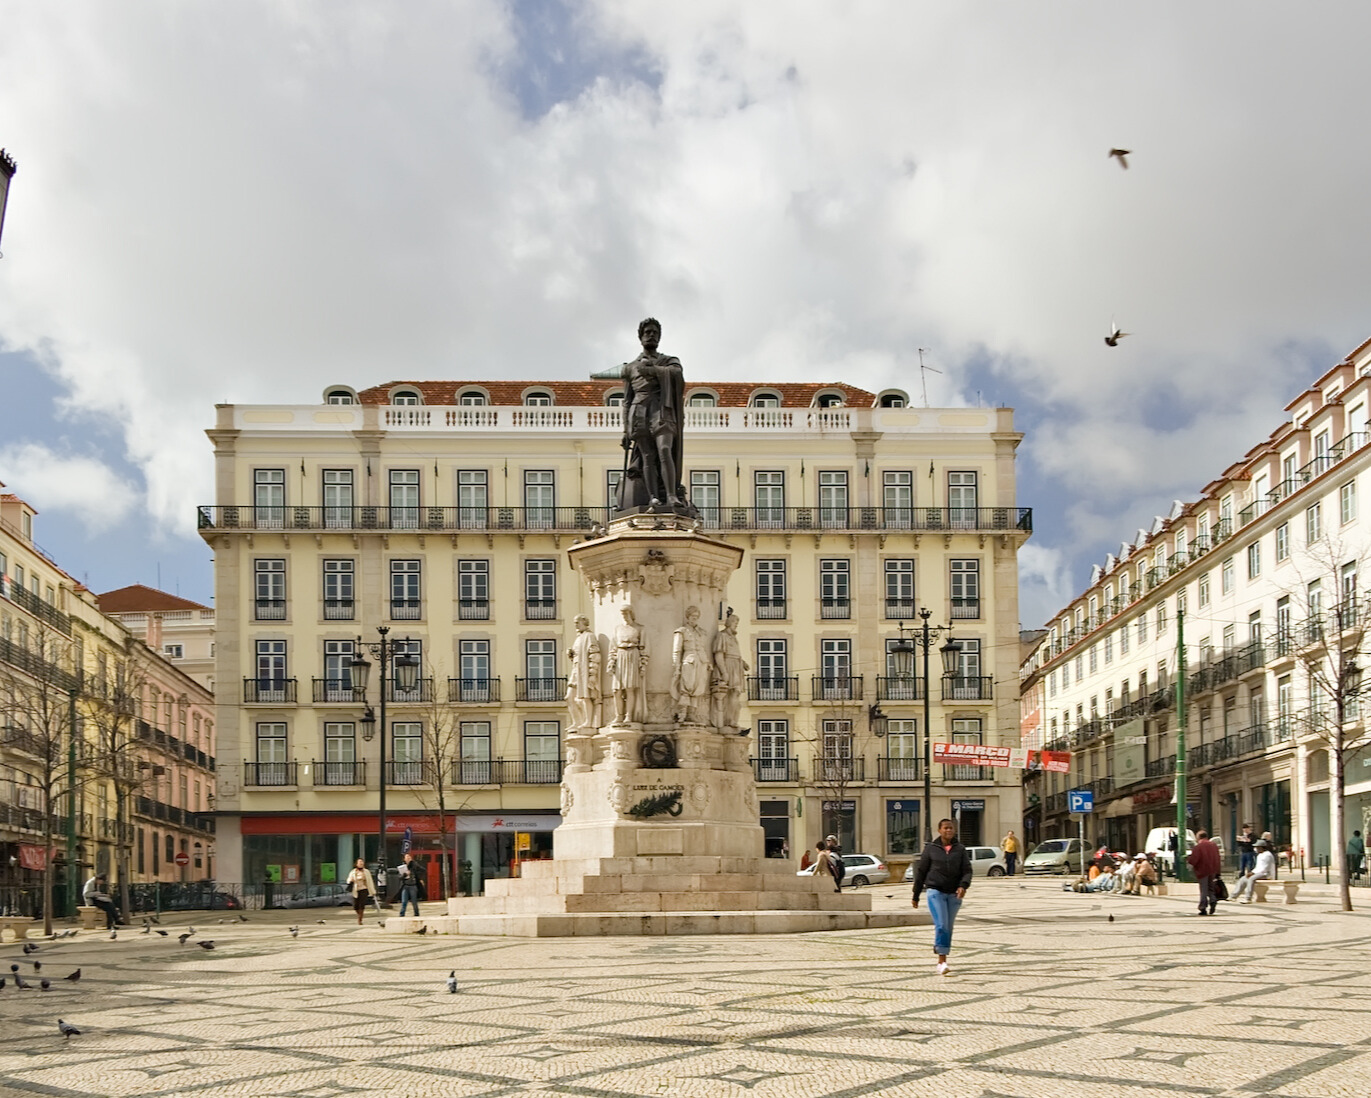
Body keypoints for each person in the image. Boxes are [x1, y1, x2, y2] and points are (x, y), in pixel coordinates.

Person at [618, 317, 687, 512]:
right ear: (640, 337)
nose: (651, 335)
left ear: (659, 338)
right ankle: (653, 497)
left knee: (665, 449)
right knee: (647, 456)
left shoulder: (669, 362)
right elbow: (626, 400)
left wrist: (653, 370)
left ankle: (672, 495)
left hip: (662, 409)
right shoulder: (630, 368)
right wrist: (625, 430)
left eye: (655, 333)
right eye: (647, 332)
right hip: (638, 411)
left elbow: (677, 374)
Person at [912, 818, 973, 976]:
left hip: (954, 893)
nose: (949, 831)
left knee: (948, 927)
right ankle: (941, 961)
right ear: (939, 830)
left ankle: (940, 949)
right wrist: (916, 894)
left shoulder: (960, 849)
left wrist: (963, 886)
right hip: (935, 891)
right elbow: (921, 872)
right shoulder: (931, 849)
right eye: (945, 828)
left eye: (951, 828)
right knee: (941, 925)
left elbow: (967, 870)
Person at [671, 605, 711, 724]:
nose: (695, 618)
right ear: (687, 617)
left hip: (701, 662)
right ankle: (682, 713)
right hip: (688, 660)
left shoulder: (701, 632)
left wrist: (707, 662)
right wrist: (676, 666)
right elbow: (677, 650)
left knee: (698, 688)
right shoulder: (681, 631)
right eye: (693, 616)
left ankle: (692, 714)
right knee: (686, 687)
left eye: (697, 617)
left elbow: (702, 648)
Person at [609, 606, 647, 725]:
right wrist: (611, 662)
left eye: (626, 613)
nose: (624, 616)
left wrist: (643, 664)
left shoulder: (639, 628)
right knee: (617, 690)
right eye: (622, 614)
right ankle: (619, 715)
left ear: (631, 613)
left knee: (630, 688)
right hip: (620, 656)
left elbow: (644, 647)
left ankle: (628, 715)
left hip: (632, 656)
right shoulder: (618, 628)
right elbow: (613, 647)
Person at [710, 611, 748, 730]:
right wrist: (724, 672)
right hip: (728, 666)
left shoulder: (733, 638)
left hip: (736, 666)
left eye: (737, 624)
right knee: (731, 693)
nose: (736, 625)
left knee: (736, 694)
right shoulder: (722, 636)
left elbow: (735, 654)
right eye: (735, 623)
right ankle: (728, 720)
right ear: (729, 623)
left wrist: (742, 663)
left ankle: (732, 720)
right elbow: (719, 655)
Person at [565, 614, 603, 732]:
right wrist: (571, 655)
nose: (575, 625)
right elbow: (578, 656)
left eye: (577, 622)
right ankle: (577, 722)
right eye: (575, 622)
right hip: (576, 670)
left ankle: (588, 722)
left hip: (584, 671)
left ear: (584, 623)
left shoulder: (589, 636)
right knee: (569, 697)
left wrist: (592, 673)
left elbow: (594, 654)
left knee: (586, 696)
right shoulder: (579, 638)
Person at [1186, 829, 1222, 915]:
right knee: (1211, 888)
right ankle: (1213, 900)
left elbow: (1194, 859)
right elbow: (1218, 858)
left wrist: (1189, 860)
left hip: (1202, 870)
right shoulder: (1214, 845)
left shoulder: (1198, 847)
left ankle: (1203, 907)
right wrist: (1218, 871)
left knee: (1203, 889)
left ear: (1199, 837)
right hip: (1213, 870)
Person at [1232, 839, 1277, 903]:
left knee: (1251, 879)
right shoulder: (1260, 855)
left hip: (1265, 874)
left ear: (1261, 847)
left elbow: (1265, 868)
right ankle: (1233, 896)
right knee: (1243, 879)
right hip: (1258, 873)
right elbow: (1258, 867)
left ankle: (1248, 898)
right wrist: (1251, 872)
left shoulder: (1267, 855)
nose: (1255, 849)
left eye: (1257, 847)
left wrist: (1253, 873)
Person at [346, 859, 377, 925]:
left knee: (361, 904)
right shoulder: (353, 872)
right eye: (360, 862)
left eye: (362, 862)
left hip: (364, 889)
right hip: (356, 890)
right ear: (356, 864)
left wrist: (373, 890)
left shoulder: (366, 872)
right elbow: (348, 880)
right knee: (355, 906)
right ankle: (359, 914)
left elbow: (370, 881)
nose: (361, 863)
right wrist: (350, 880)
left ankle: (360, 919)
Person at [396, 852, 424, 917]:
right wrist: (405, 874)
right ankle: (402, 914)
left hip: (413, 885)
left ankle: (416, 914)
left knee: (414, 901)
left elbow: (423, 870)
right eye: (407, 857)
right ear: (404, 859)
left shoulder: (414, 865)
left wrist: (419, 877)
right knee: (404, 901)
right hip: (405, 886)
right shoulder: (402, 867)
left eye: (409, 857)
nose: (408, 858)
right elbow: (399, 877)